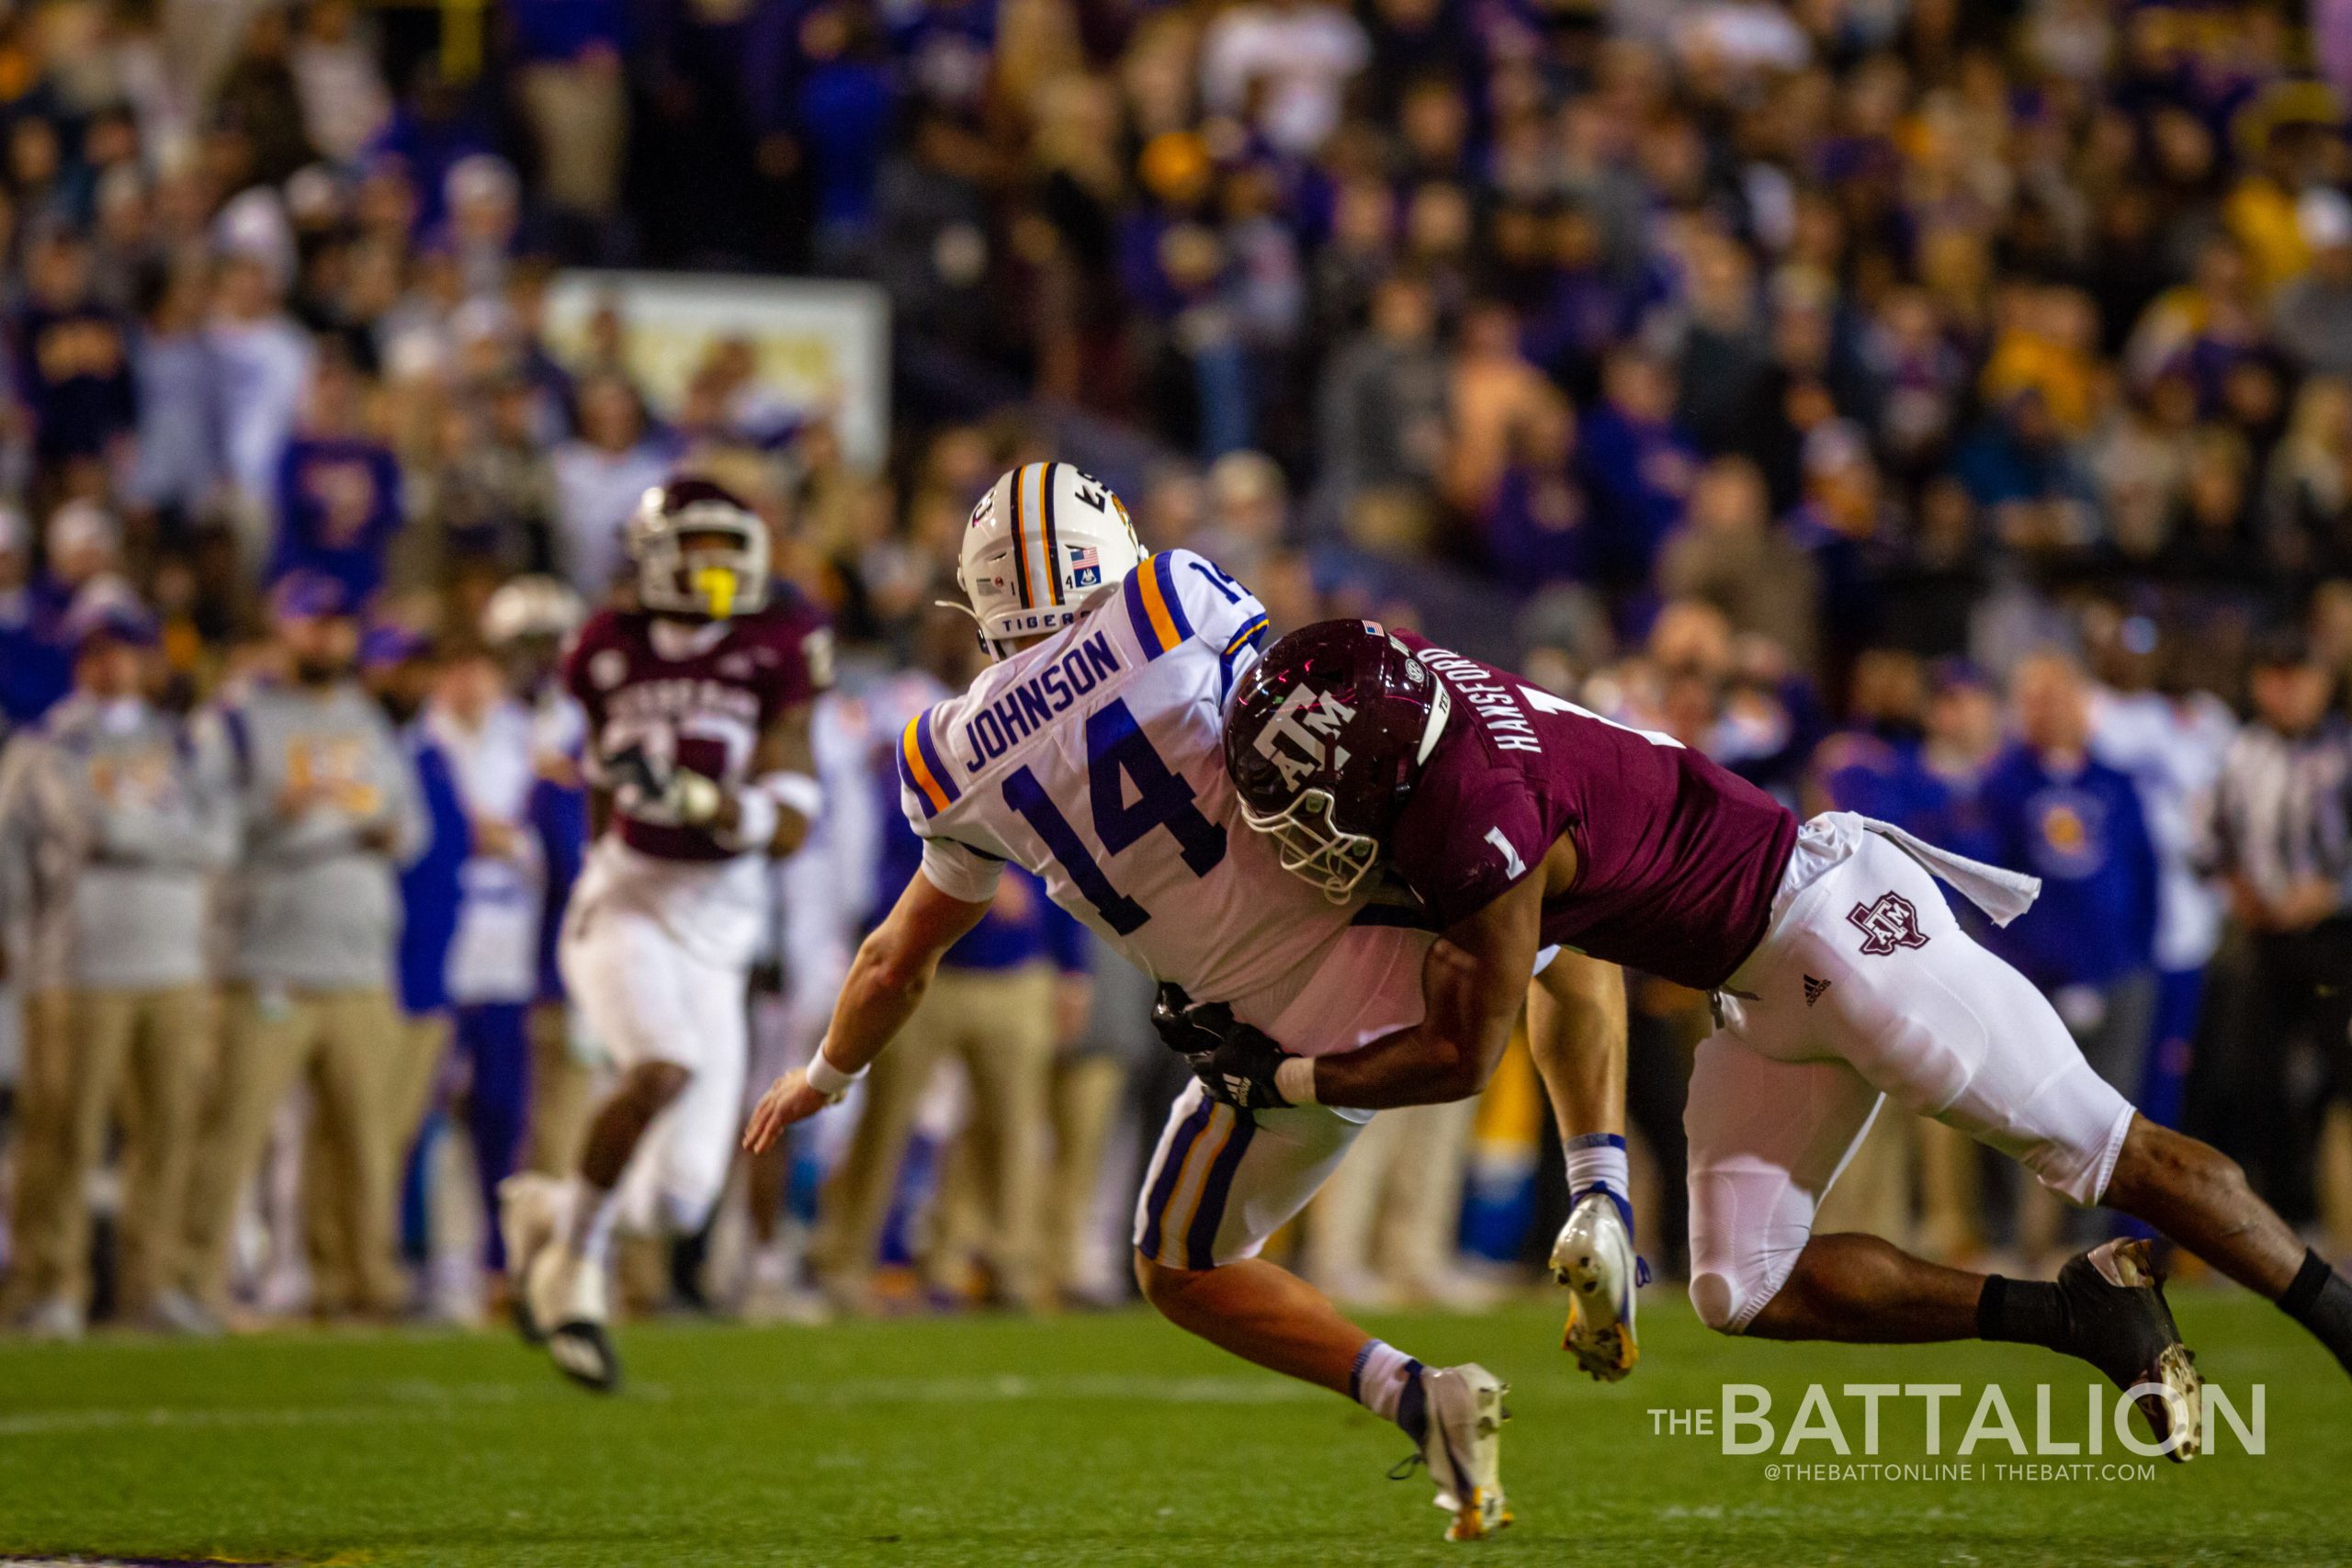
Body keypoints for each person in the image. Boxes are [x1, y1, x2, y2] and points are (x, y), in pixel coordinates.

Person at [1208, 618, 2352, 1460]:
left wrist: (1279, 1073)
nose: (1316, 837)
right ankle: (2076, 1314)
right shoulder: (1424, 704)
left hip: (1838, 927)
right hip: (1754, 984)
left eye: (1322, 805)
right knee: (1739, 1288)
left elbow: (1460, 1055)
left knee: (2115, 1153)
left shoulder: (1477, 813)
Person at [746, 462, 1563, 1541]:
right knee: (1565, 873)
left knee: (1179, 1265)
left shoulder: (945, 754)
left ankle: (1414, 1391)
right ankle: (1610, 1172)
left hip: (1276, 1038)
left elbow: (896, 959)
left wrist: (825, 1074)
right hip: (1413, 940)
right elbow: (1313, 719)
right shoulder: (1175, 597)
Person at [499, 477, 831, 1392]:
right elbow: (556, 750)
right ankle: (572, 1278)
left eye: (732, 553)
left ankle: (550, 1218)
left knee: (682, 1202)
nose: (719, 573)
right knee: (661, 1069)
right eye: (699, 553)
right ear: (651, 558)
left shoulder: (780, 642)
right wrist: (602, 770)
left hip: (722, 925)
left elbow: (795, 817)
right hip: (630, 899)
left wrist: (710, 804)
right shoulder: (603, 645)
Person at [175, 570, 424, 1321]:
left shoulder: (366, 718)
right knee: (232, 1136)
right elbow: (204, 834)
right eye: (311, 623)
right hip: (268, 960)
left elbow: (412, 829)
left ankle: (359, 1280)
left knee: (364, 1140)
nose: (327, 637)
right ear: (281, 628)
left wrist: (364, 829)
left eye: (337, 624)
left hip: (358, 960)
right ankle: (193, 1283)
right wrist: (284, 817)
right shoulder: (239, 721)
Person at [0, 600, 234, 1336]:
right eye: (101, 651)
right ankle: (50, 1283)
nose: (116, 665)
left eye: (128, 650)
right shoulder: (48, 746)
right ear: (79, 661)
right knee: (63, 1131)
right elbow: (59, 836)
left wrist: (138, 840)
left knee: (169, 1130)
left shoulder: (183, 743)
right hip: (77, 965)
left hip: (173, 961)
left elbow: (218, 841)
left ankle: (153, 1281)